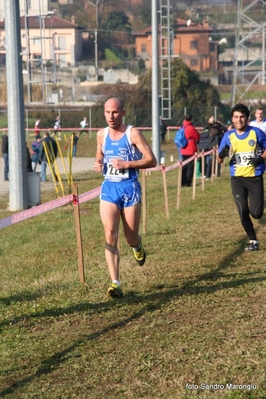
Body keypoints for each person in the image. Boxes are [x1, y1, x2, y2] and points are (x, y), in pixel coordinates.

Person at [94, 97, 157, 298]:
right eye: (107, 112)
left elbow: (151, 160)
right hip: (109, 189)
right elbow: (99, 156)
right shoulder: (101, 135)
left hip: (130, 189)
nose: (111, 117)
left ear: (122, 113)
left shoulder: (133, 134)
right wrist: (98, 163)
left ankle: (138, 246)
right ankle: (115, 283)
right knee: (110, 234)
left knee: (130, 238)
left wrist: (128, 164)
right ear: (103, 113)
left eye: (115, 112)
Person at [217, 103, 266, 251]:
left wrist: (261, 159)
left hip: (255, 177)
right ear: (232, 118)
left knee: (256, 213)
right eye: (236, 117)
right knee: (242, 210)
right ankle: (253, 240)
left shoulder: (256, 133)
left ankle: (257, 210)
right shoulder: (228, 136)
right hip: (237, 179)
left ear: (247, 118)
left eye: (242, 117)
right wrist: (223, 154)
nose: (239, 120)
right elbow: (219, 159)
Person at [180, 113, 200, 187]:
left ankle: (182, 182)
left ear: (185, 119)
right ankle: (188, 182)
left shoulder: (182, 126)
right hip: (190, 149)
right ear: (191, 119)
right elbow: (197, 136)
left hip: (183, 149)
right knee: (190, 166)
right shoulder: (191, 128)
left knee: (184, 166)